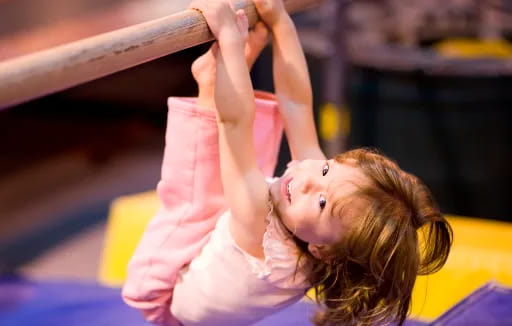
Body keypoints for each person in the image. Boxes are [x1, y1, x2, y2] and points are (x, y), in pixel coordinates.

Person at [123, 1, 453, 325]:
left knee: (201, 195)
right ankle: (215, 80)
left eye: (322, 203)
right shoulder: (324, 222)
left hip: (164, 293)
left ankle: (215, 81)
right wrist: (281, 22)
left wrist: (230, 40)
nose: (310, 180)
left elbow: (234, 124)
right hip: (219, 268)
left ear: (322, 251)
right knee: (256, 171)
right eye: (326, 169)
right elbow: (296, 103)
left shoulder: (260, 233)